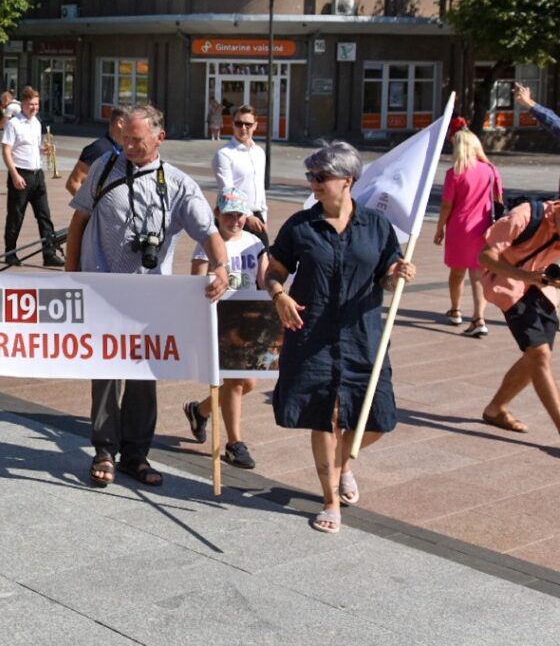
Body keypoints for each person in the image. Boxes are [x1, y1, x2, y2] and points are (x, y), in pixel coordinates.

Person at [68, 103, 230, 489]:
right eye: (125, 139)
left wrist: (222, 268)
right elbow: (79, 218)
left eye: (137, 141)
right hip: (103, 291)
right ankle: (104, 451)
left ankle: (136, 455)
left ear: (160, 138)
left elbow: (208, 232)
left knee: (144, 376)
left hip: (149, 301)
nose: (128, 146)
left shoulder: (177, 184)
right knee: (106, 373)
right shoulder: (105, 167)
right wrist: (70, 271)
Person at [264, 140, 415, 533]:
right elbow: (274, 268)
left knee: (379, 418)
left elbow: (383, 272)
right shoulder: (301, 225)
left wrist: (395, 274)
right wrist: (279, 295)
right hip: (310, 334)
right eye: (311, 176)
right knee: (323, 417)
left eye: (321, 177)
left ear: (348, 180)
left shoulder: (376, 226)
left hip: (363, 335)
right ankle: (330, 500)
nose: (314, 183)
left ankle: (343, 466)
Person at [182, 187, 268, 470]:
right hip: (220, 320)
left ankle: (200, 410)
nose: (235, 221)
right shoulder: (209, 243)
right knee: (234, 382)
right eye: (229, 214)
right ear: (217, 213)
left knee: (248, 384)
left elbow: (265, 280)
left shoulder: (255, 243)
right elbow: (195, 281)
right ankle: (234, 444)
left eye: (240, 215)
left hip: (249, 321)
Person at [477, 197, 560, 439]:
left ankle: (495, 409)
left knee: (534, 358)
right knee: (539, 354)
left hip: (543, 290)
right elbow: (485, 257)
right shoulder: (524, 216)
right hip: (508, 285)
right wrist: (523, 275)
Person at [434, 128, 502, 334]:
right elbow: (499, 200)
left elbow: (447, 204)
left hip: (459, 227)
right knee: (479, 273)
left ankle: (455, 311)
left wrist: (439, 228)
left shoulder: (454, 173)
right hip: (483, 227)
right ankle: (479, 319)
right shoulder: (490, 170)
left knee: (456, 271)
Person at [1, 87, 63, 267]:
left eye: (37, 104)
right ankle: (10, 253)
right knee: (15, 217)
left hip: (38, 175)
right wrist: (14, 175)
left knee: (45, 216)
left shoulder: (36, 122)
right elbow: (6, 151)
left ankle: (49, 253)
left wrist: (44, 150)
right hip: (21, 174)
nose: (34, 108)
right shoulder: (13, 124)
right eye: (31, 105)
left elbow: (33, 146)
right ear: (23, 104)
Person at [212, 104, 269, 241]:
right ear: (232, 124)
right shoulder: (224, 154)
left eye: (248, 124)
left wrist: (264, 216)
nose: (243, 128)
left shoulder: (259, 152)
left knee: (263, 260)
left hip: (257, 217)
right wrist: (248, 216)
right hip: (234, 217)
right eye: (238, 124)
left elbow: (259, 188)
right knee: (230, 261)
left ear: (255, 125)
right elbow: (228, 190)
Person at [65, 106, 127, 196]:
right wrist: (91, 208)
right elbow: (73, 183)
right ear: (120, 123)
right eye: (130, 123)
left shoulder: (126, 150)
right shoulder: (97, 149)